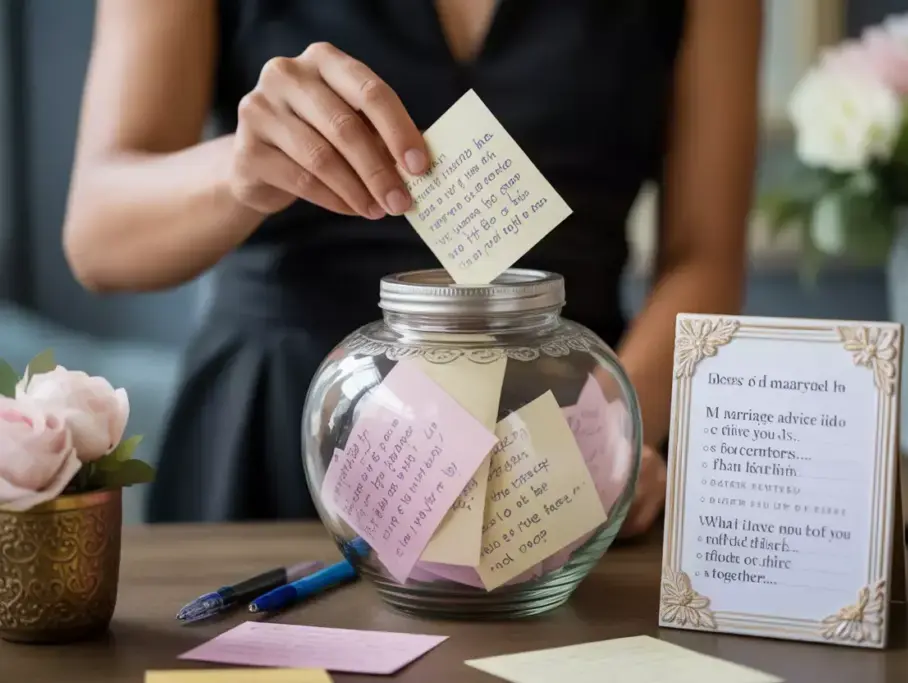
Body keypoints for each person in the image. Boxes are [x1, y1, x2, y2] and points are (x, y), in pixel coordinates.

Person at [63, 0, 761, 536]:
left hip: (561, 437)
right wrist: (242, 170)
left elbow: (703, 258)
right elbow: (98, 237)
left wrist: (608, 431)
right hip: (278, 436)